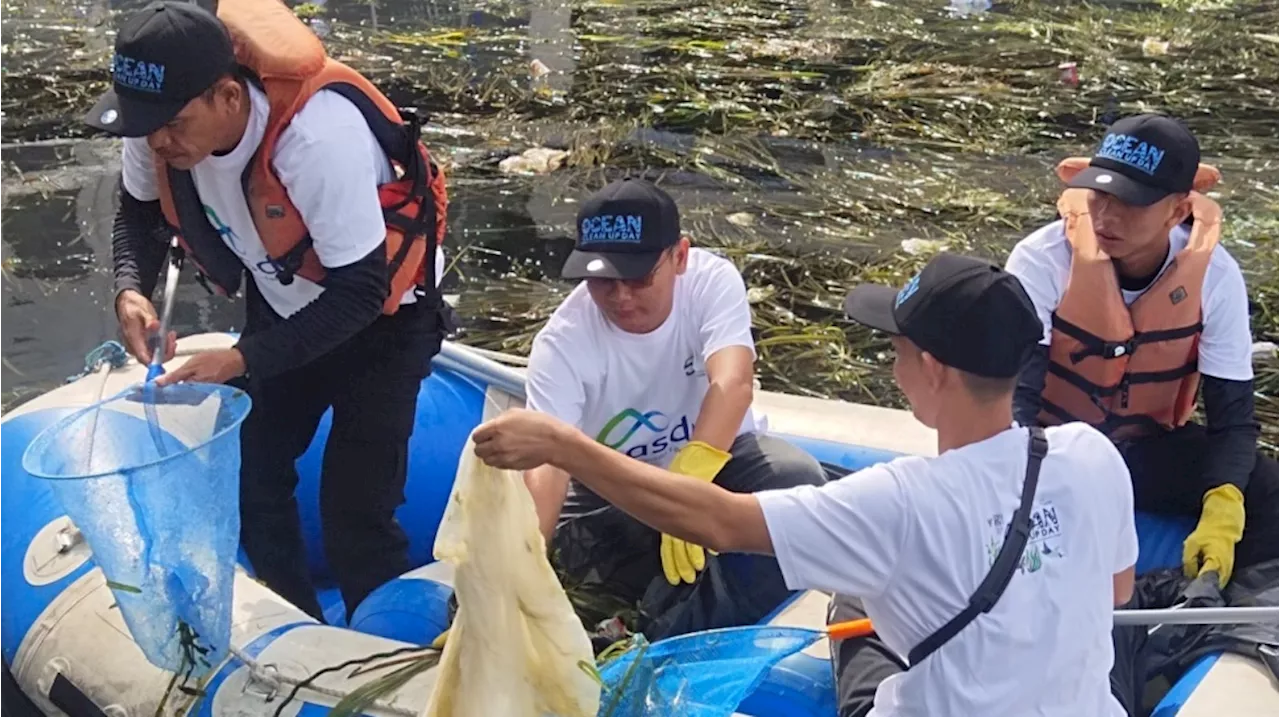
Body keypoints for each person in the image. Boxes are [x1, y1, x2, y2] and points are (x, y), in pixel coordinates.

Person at [473, 252, 1141, 716]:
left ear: (933, 367)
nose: (891, 360)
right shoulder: (1090, 455)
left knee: (856, 612)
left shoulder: (901, 502)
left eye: (898, 347)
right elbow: (1115, 589)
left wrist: (566, 444)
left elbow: (716, 521)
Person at [89, 0, 453, 622]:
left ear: (228, 97)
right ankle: (298, 628)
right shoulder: (157, 130)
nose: (157, 141)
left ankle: (391, 647)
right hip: (283, 301)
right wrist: (130, 288)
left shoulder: (315, 138)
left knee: (356, 509)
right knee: (254, 479)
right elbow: (140, 213)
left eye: (172, 124)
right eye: (145, 124)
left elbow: (362, 293)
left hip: (384, 324)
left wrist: (241, 359)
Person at [521, 177, 827, 641]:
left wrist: (688, 485)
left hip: (719, 463)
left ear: (679, 257)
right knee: (576, 554)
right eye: (603, 280)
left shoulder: (711, 282)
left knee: (796, 480)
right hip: (616, 485)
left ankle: (663, 636)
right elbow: (548, 466)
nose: (621, 297)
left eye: (640, 278)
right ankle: (643, 620)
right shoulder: (561, 344)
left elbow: (733, 381)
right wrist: (521, 564)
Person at [1004, 113, 1280, 593]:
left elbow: (1233, 420)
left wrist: (1223, 506)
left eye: (1129, 204)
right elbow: (1015, 399)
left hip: (1145, 451)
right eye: (1099, 196)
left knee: (1269, 490)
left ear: (1176, 211)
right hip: (1053, 450)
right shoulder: (1042, 259)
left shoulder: (1215, 276)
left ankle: (1219, 615)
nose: (1106, 218)